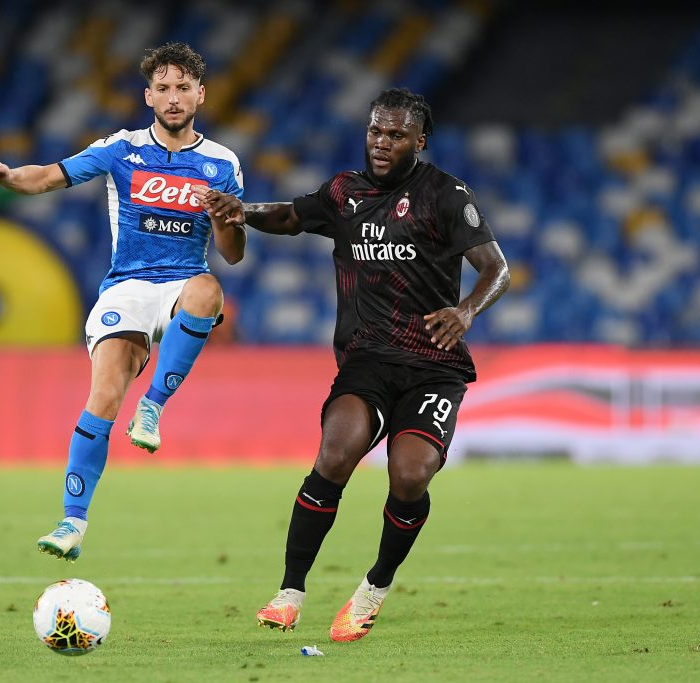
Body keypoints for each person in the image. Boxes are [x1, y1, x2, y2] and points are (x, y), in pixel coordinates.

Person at [194, 88, 509, 642]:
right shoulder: (345, 193)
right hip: (367, 360)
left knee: (410, 475)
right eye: (375, 131)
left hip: (434, 367)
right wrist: (243, 211)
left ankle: (374, 587)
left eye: (396, 135)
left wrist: (465, 311)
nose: (382, 143)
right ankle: (290, 592)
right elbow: (291, 216)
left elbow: (496, 269)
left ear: (419, 140)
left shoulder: (445, 194)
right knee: (335, 455)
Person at [0, 42, 245, 561]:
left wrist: (221, 216)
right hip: (128, 287)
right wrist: (8, 177)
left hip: (183, 284)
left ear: (201, 95)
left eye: (183, 87)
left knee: (209, 290)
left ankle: (153, 407)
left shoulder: (221, 163)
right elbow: (46, 176)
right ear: (148, 96)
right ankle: (72, 523)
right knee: (102, 397)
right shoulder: (122, 148)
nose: (173, 97)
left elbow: (231, 253)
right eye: (163, 88)